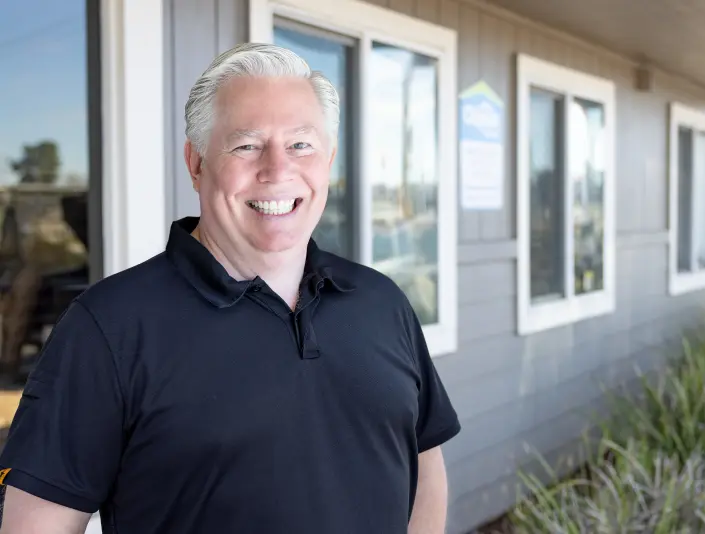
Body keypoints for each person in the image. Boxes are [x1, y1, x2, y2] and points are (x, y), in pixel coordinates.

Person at [0, 43, 461, 534]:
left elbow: (424, 463)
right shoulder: (109, 328)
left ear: (327, 162)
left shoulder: (381, 303)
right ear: (196, 163)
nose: (278, 169)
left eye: (301, 145)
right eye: (247, 145)